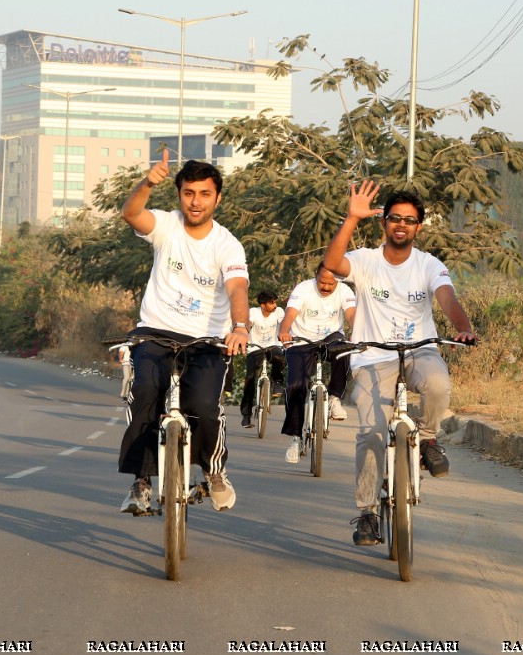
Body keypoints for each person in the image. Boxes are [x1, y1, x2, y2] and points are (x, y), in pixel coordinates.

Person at [323, 182, 477, 546]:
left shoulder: (428, 264)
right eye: (395, 218)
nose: (401, 225)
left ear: (418, 227)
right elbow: (331, 263)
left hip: (419, 350)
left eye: (409, 220)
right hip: (372, 356)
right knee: (372, 433)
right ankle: (368, 513)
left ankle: (426, 439)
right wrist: (350, 217)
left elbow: (447, 297)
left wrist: (464, 328)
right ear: (384, 224)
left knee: (438, 384)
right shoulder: (364, 260)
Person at [117, 147, 249, 515]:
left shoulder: (227, 244)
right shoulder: (167, 225)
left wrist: (240, 327)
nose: (196, 202)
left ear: (217, 198)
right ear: (179, 195)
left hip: (206, 342)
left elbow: (238, 288)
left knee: (204, 407)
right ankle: (141, 482)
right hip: (156, 332)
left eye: (205, 194)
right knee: (144, 392)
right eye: (189, 193)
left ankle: (212, 470)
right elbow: (131, 214)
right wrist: (146, 183)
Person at [278, 265, 357, 462]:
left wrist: (357, 331)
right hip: (302, 339)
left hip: (331, 337)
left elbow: (351, 314)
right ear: (316, 277)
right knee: (296, 385)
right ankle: (296, 438)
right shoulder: (303, 289)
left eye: (331, 283)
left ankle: (334, 398)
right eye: (323, 282)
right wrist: (285, 330)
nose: (327, 287)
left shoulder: (345, 291)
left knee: (344, 348)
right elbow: (290, 313)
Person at [239, 290, 285, 428]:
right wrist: (244, 334)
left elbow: (283, 324)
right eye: (271, 303)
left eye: (275, 302)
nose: (275, 305)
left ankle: (277, 382)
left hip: (273, 345)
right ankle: (246, 415)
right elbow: (248, 323)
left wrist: (286, 334)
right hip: (255, 348)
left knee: (279, 357)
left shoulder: (279, 312)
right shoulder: (254, 312)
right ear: (263, 305)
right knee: (250, 379)